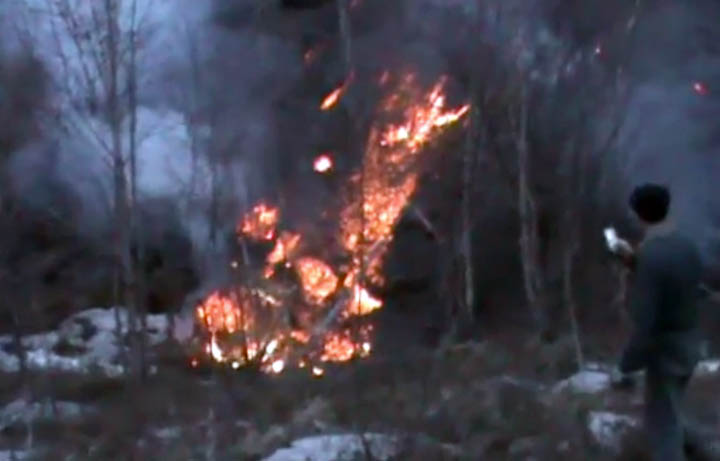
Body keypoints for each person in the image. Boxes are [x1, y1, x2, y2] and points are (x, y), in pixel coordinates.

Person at [613, 183, 703, 460]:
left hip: (666, 351)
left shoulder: (650, 255)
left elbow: (645, 322)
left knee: (663, 430)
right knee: (672, 412)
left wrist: (626, 365)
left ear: (638, 215)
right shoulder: (687, 246)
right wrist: (636, 265)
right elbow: (683, 287)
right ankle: (702, 451)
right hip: (690, 344)